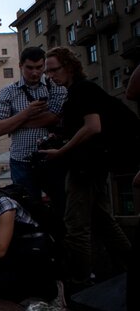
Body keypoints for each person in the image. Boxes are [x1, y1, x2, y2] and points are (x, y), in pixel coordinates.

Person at [37, 47, 133, 289]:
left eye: (54, 70)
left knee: (76, 225)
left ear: (69, 66)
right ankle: (130, 266)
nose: (50, 76)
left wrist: (61, 150)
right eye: (47, 72)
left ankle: (81, 281)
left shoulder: (82, 89)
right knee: (103, 220)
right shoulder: (75, 92)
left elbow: (92, 127)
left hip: (86, 165)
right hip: (92, 163)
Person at [0, 46, 67, 203]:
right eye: (29, 68)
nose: (35, 73)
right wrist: (27, 112)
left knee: (61, 206)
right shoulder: (8, 92)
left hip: (52, 158)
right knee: (27, 209)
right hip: (21, 161)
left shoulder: (56, 86)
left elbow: (54, 117)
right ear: (20, 66)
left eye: (39, 68)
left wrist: (15, 122)